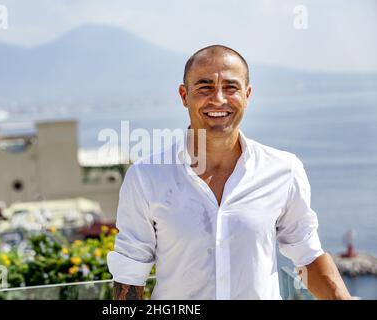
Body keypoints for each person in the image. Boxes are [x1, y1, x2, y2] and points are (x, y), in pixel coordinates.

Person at [107, 45, 351, 300]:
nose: (219, 99)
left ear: (247, 94)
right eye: (205, 87)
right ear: (184, 95)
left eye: (231, 88)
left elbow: (308, 256)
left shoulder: (284, 170)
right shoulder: (146, 176)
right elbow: (130, 274)